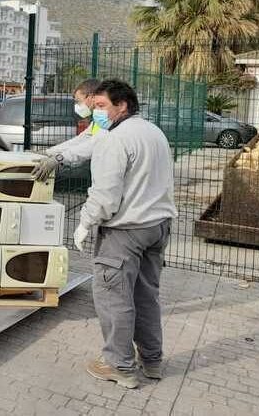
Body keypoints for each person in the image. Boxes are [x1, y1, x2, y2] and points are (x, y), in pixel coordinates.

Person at [74, 79, 177, 389]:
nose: (96, 113)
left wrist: (84, 223)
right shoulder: (153, 132)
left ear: (122, 105)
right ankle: (152, 360)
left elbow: (105, 196)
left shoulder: (114, 140)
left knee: (114, 300)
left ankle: (119, 366)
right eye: (94, 107)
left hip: (125, 232)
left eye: (102, 106)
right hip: (157, 227)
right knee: (146, 297)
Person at [31, 78, 105, 182]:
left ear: (91, 96)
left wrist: (58, 158)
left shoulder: (107, 120)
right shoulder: (98, 121)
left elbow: (92, 144)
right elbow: (80, 140)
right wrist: (47, 152)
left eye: (78, 101)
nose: (77, 106)